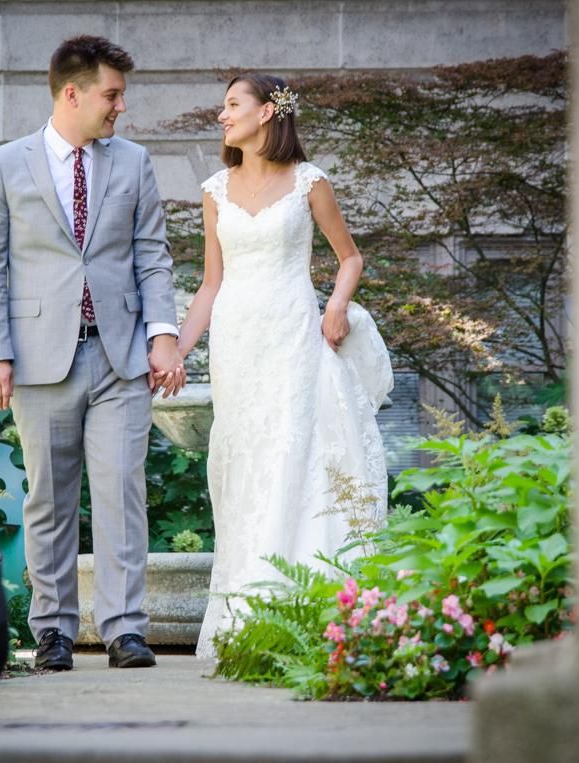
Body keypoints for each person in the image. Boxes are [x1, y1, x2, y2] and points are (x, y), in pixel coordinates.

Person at [0, 35, 184, 671]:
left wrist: (163, 335)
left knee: (123, 491)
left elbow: (151, 254)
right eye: (112, 95)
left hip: (121, 357)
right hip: (37, 359)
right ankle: (54, 632)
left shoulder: (134, 162)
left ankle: (124, 630)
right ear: (73, 93)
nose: (121, 107)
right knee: (50, 500)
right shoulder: (2, 165)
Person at [176, 75, 394, 659]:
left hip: (295, 337)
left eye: (232, 105)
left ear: (268, 112)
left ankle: (309, 610)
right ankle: (247, 616)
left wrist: (337, 305)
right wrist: (176, 348)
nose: (221, 115)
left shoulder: (308, 182)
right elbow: (209, 283)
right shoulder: (215, 189)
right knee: (244, 467)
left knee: (294, 459)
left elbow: (350, 257)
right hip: (237, 345)